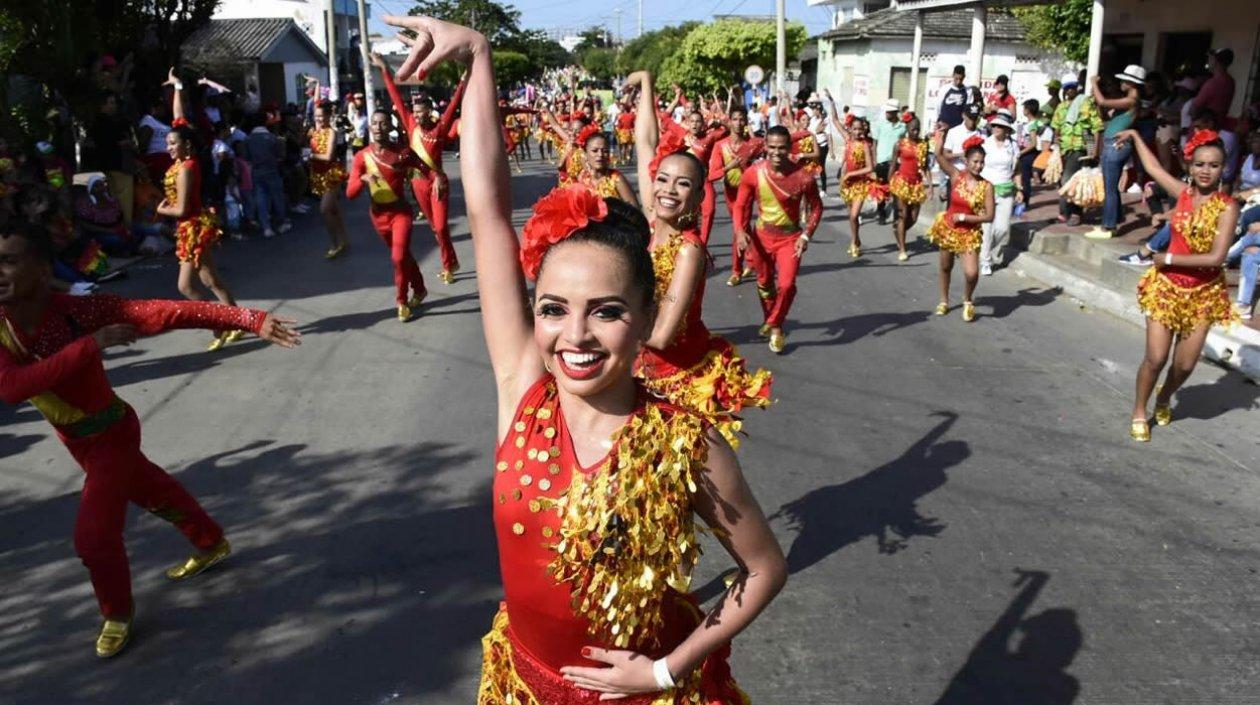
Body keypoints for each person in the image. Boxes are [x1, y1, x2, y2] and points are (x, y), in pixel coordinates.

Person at [384, 14, 787, 704]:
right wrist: (478, 55)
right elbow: (486, 210)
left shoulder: (686, 442)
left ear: (644, 319)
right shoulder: (523, 389)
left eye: (606, 311)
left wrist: (665, 669)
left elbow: (764, 568)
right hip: (521, 683)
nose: (575, 336)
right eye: (553, 309)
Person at [0, 221, 300, 658]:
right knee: (150, 488)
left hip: (111, 432)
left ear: (44, 270)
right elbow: (12, 387)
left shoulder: (82, 312)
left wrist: (248, 319)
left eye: (8, 261)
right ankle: (210, 541)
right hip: (77, 440)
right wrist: (90, 346)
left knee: (93, 537)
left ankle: (117, 613)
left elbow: (166, 312)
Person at [624, 70, 773, 445]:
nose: (668, 190)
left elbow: (661, 336)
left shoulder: (689, 250)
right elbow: (645, 143)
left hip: (675, 383)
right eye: (663, 179)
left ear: (697, 197)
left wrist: (602, 323)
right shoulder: (649, 224)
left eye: (683, 184)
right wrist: (646, 84)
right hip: (634, 372)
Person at [1113, 128, 1239, 441]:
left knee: (1184, 366)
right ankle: (1139, 410)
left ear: (1223, 169)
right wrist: (1135, 136)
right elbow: (1154, 168)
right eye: (1199, 164)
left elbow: (1216, 258)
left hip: (1203, 294)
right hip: (1166, 289)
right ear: (1190, 167)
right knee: (1156, 358)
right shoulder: (1183, 193)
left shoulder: (1228, 207)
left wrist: (1167, 258)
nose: (1206, 171)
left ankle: (1164, 396)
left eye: (1213, 165)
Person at [158, 70, 244, 352]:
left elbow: (182, 208)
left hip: (193, 227)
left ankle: (221, 324)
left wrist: (162, 209)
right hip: (187, 228)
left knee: (188, 286)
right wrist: (178, 88)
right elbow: (179, 119)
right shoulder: (183, 156)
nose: (168, 147)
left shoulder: (187, 168)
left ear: (187, 145)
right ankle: (235, 322)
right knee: (210, 280)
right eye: (168, 143)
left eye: (173, 144)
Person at [373, 52, 466, 285]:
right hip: (417, 183)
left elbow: (453, 104)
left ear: (429, 111)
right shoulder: (410, 124)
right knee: (435, 227)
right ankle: (451, 261)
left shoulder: (440, 128)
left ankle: (448, 265)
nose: (415, 114)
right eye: (414, 111)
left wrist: (463, 81)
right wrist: (384, 69)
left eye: (420, 111)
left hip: (438, 183)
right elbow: (395, 96)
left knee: (442, 227)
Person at [733, 125, 823, 353]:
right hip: (761, 238)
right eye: (772, 147)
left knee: (786, 285)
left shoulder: (803, 177)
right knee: (764, 283)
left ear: (789, 147)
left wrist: (806, 235)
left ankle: (773, 321)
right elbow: (741, 205)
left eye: (781, 148)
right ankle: (776, 329)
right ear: (765, 146)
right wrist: (740, 231)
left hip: (790, 239)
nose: (776, 152)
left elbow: (816, 208)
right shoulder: (753, 173)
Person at [345, 106, 430, 322]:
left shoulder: (402, 153)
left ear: (390, 127)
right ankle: (419, 288)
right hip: (378, 217)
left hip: (400, 213)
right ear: (370, 127)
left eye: (383, 123)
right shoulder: (362, 157)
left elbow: (426, 168)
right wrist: (363, 178)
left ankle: (401, 301)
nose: (378, 127)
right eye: (374, 123)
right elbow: (350, 193)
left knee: (398, 257)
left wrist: (437, 180)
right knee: (402, 256)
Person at [927, 133, 995, 322]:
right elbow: (939, 156)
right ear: (966, 161)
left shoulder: (987, 186)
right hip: (949, 229)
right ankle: (944, 300)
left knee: (972, 273)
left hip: (969, 233)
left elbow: (989, 216)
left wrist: (965, 217)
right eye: (975, 161)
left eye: (982, 162)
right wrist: (941, 138)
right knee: (945, 266)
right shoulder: (956, 176)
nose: (979, 166)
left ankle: (967, 299)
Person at [708, 106, 764, 286]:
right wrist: (729, 167)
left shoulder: (754, 144)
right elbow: (712, 175)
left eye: (742, 119)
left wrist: (806, 135)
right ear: (729, 121)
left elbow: (779, 144)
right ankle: (752, 260)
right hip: (730, 193)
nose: (739, 123)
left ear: (746, 122)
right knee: (743, 228)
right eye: (735, 119)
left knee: (738, 228)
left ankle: (736, 271)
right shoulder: (720, 145)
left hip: (746, 193)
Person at [1087, 67, 1145, 239]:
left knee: (1110, 188)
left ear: (1131, 83)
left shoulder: (1131, 100)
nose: (1121, 83)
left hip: (1116, 145)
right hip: (1111, 144)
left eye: (1124, 80)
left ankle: (1109, 226)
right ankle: (1114, 218)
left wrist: (1094, 83)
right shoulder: (1128, 101)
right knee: (1110, 187)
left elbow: (1103, 102)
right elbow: (1106, 112)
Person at [1051, 74, 1103, 226]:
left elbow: (1096, 127)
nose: (1069, 91)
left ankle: (1075, 213)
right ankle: (1065, 212)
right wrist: (1056, 141)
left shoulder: (1086, 103)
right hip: (1064, 149)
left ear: (1077, 88)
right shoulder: (1061, 107)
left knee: (1071, 180)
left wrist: (1094, 150)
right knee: (1064, 181)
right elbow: (1056, 127)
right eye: (1067, 88)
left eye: (1072, 88)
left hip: (1081, 147)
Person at [308, 101, 351, 258]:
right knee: (334, 210)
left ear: (328, 116)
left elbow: (328, 157)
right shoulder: (313, 131)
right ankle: (344, 240)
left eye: (321, 116)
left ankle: (334, 244)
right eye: (316, 116)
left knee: (325, 209)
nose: (318, 119)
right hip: (318, 175)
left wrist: (310, 155)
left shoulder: (331, 132)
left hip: (331, 175)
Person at [979, 110, 1019, 275]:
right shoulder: (984, 143)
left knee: (1002, 228)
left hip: (1006, 189)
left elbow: (1017, 170)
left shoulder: (1013, 146)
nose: (996, 128)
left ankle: (983, 249)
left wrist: (1020, 188)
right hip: (987, 188)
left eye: (1000, 126)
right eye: (994, 125)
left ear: (1007, 129)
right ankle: (986, 261)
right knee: (987, 227)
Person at [889, 116, 932, 261]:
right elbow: (893, 165)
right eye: (913, 129)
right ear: (907, 129)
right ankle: (902, 248)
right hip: (901, 183)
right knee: (903, 215)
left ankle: (898, 230)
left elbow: (925, 167)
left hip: (916, 185)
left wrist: (930, 185)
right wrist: (889, 185)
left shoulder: (923, 145)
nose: (915, 132)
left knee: (913, 218)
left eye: (917, 129)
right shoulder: (899, 144)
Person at [242, 116, 292, 238]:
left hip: (256, 171)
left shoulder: (248, 140)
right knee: (277, 196)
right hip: (272, 169)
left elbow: (246, 157)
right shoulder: (273, 138)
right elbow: (280, 155)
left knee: (261, 198)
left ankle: (266, 227)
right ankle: (281, 222)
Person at [572, 126, 638, 206]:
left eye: (605, 151)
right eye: (595, 151)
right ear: (586, 154)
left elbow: (634, 210)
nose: (600, 154)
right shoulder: (582, 178)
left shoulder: (616, 179)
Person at [873, 98, 907, 225]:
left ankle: (897, 216)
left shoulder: (902, 127)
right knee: (881, 189)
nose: (887, 113)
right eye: (886, 111)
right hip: (881, 162)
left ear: (896, 112)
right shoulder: (880, 124)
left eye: (890, 112)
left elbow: (905, 144)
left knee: (895, 190)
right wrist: (874, 160)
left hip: (895, 163)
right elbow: (875, 143)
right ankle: (881, 212)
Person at [1016, 99, 1050, 216]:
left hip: (1028, 154)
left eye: (1024, 108)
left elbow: (1033, 143)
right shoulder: (1037, 123)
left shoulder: (1032, 124)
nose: (1023, 110)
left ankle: (1024, 202)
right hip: (1029, 153)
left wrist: (1020, 153)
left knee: (1025, 180)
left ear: (1028, 110)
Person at [1190, 49, 1236, 124]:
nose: (1208, 61)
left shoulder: (1213, 83)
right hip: (1217, 126)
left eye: (1210, 58)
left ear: (1215, 61)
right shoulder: (1230, 81)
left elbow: (1193, 111)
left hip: (1203, 127)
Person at [938, 65, 976, 129]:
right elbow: (938, 106)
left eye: (961, 79)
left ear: (964, 77)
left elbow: (968, 111)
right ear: (953, 75)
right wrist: (937, 121)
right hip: (943, 126)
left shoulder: (968, 91)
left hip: (959, 127)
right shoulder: (945, 88)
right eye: (956, 79)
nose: (958, 82)